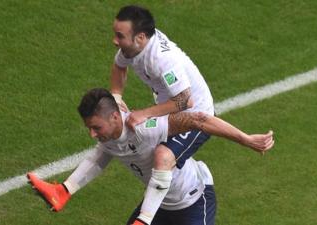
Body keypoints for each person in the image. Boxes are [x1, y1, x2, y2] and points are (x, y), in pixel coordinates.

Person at [27, 88, 274, 225]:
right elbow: (99, 157)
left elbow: (200, 120)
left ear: (115, 117)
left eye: (96, 127)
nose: (92, 134)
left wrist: (246, 139)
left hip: (193, 203)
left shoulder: (145, 127)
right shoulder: (109, 137)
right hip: (159, 206)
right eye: (89, 128)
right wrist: (66, 189)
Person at [109, 5, 274, 176]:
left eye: (120, 36)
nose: (114, 41)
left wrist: (145, 113)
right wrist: (116, 97)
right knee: (136, 146)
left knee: (162, 157)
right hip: (169, 109)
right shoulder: (132, 46)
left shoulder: (162, 59)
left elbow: (185, 100)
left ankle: (198, 182)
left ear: (141, 37)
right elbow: (119, 66)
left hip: (196, 113)